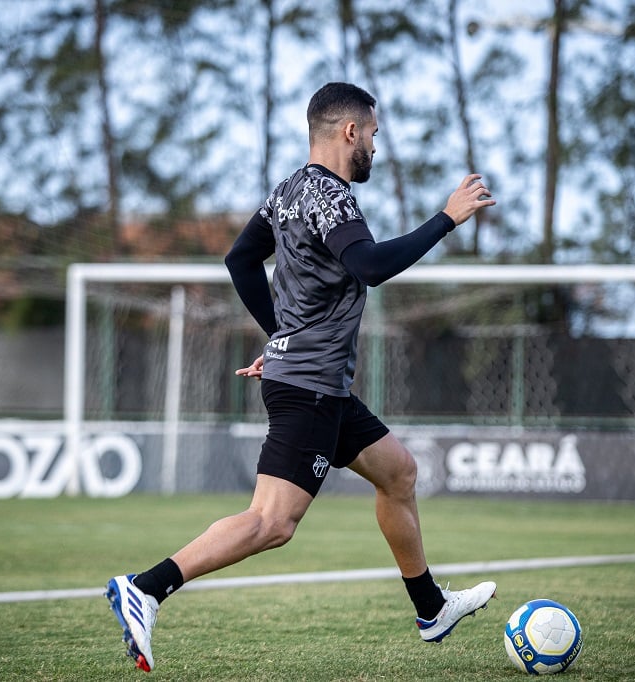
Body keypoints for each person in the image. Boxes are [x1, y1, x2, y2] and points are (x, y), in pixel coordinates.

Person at [106, 81, 498, 673]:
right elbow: (369, 267)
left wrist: (279, 336)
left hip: (317, 381)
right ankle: (147, 587)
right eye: (372, 134)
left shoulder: (289, 190)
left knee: (399, 473)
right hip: (309, 384)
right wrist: (446, 218)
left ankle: (430, 608)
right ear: (349, 132)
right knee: (272, 522)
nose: (374, 145)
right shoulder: (331, 196)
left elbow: (240, 259)